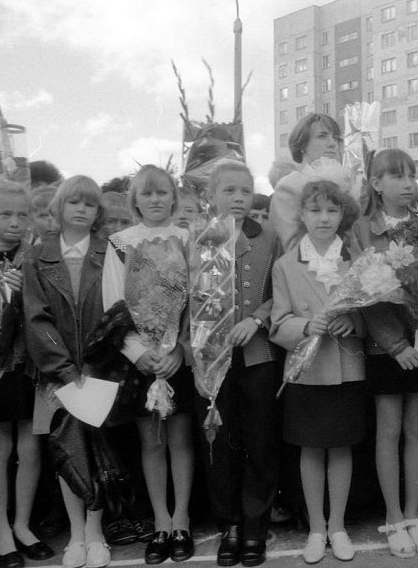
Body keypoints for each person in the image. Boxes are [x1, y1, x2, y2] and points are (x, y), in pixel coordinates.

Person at [102, 166, 196, 564]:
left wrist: (180, 350)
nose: (156, 199)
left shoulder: (188, 239)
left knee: (180, 440)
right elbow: (113, 304)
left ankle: (182, 519)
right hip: (142, 360)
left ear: (173, 197)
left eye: (162, 192)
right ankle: (160, 521)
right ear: (135, 200)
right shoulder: (121, 244)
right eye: (147, 193)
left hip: (177, 359)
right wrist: (138, 352)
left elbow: (200, 302)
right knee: (151, 442)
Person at [270, 178, 364, 564]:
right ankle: (316, 528)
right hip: (307, 370)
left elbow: (373, 310)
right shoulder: (285, 265)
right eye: (315, 210)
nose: (323, 218)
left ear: (342, 215)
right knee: (310, 448)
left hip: (345, 367)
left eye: (331, 210)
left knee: (340, 447)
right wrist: (307, 326)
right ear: (302, 215)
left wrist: (354, 320)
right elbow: (278, 323)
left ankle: (338, 526)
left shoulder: (357, 261)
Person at [194, 162, 283, 567]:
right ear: (211, 195)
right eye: (228, 190)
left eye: (245, 191)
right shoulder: (198, 238)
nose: (238, 198)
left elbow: (282, 291)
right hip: (211, 359)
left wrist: (257, 318)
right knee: (220, 444)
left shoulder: (269, 236)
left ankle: (254, 526)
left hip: (258, 355)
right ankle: (228, 524)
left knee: (260, 441)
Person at [349, 149, 418, 559]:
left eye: (411, 176)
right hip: (386, 348)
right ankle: (394, 515)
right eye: (397, 176)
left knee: (417, 428)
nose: (407, 184)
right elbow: (364, 290)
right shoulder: (363, 229)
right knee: (389, 430)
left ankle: (414, 513)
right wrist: (395, 344)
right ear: (375, 183)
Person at [24, 175, 110, 567]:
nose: (81, 209)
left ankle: (95, 531)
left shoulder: (109, 251)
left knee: (94, 448)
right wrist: (63, 369)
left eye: (89, 204)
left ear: (97, 212)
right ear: (59, 207)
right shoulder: (37, 255)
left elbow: (114, 311)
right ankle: (75, 533)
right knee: (65, 449)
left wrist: (93, 364)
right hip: (55, 373)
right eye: (74, 202)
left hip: (97, 369)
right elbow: (36, 318)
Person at [0, 179, 51, 568]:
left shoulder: (33, 256)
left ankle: (23, 525)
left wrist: (27, 288)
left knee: (31, 444)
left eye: (22, 215)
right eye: (5, 214)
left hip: (29, 363)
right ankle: (0, 529)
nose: (15, 222)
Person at [269, 113, 343, 251]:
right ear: (302, 144)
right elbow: (291, 246)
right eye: (322, 136)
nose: (332, 144)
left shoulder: (344, 183)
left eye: (336, 138)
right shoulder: (289, 186)